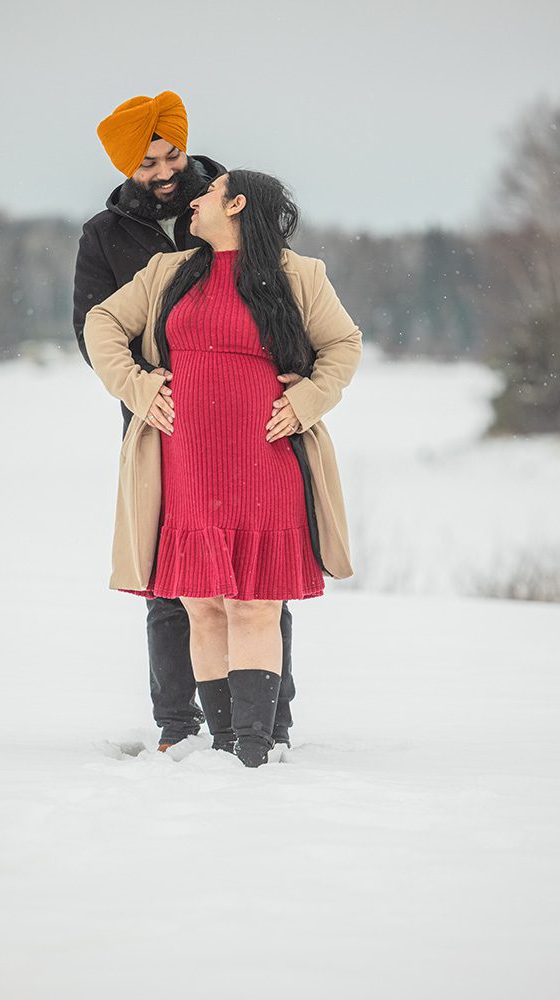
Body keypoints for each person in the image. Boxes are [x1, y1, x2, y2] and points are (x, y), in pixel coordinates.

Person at [83, 168, 363, 766]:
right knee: (202, 602)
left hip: (264, 459)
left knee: (255, 602)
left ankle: (256, 752)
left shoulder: (298, 275)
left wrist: (307, 398)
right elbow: (101, 323)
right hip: (186, 464)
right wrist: (134, 385)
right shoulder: (167, 273)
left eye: (209, 191)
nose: (195, 196)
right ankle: (224, 743)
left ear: (236, 204)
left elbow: (344, 345)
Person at [73, 91, 305, 752]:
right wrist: (140, 388)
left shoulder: (235, 203)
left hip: (254, 426)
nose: (166, 169)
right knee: (170, 584)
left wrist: (298, 372)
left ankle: (269, 725)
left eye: (171, 153)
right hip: (164, 427)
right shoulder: (107, 236)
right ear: (127, 168)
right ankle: (179, 726)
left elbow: (287, 302)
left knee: (259, 579)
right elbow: (93, 330)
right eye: (148, 162)